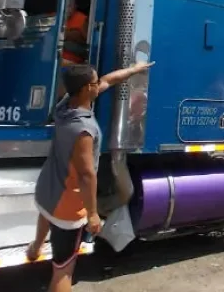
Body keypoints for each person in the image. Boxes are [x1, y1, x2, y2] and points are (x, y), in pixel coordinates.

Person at [27, 61, 155, 292]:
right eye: (95, 82)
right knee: (63, 270)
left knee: (46, 214)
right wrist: (93, 214)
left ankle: (35, 247)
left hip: (47, 189)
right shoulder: (84, 129)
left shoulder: (64, 107)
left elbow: (108, 79)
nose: (100, 84)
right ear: (87, 88)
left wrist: (134, 70)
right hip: (67, 205)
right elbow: (87, 175)